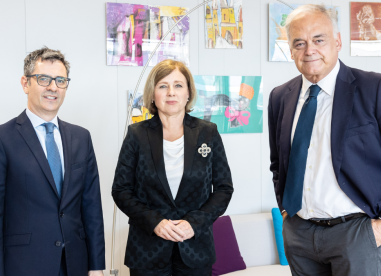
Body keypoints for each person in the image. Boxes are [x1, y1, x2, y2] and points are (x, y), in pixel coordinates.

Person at [268, 4, 381, 276]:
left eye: (318, 39)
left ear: (337, 41)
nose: (309, 50)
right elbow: (279, 164)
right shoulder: (280, 97)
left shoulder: (375, 88)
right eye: (299, 43)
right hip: (300, 236)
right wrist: (286, 212)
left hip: (357, 234)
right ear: (290, 50)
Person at [112, 59, 233, 276]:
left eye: (178, 85)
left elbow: (223, 189)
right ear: (152, 94)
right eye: (163, 86)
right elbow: (121, 190)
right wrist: (155, 222)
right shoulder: (136, 135)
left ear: (188, 93)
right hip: (146, 251)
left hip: (195, 251)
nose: (171, 93)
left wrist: (194, 223)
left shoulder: (208, 133)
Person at [0, 47, 105, 276]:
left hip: (75, 263)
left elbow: (92, 208)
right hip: (23, 265)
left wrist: (97, 267)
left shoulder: (81, 137)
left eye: (60, 80)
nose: (53, 87)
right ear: (25, 83)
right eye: (44, 79)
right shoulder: (3, 138)